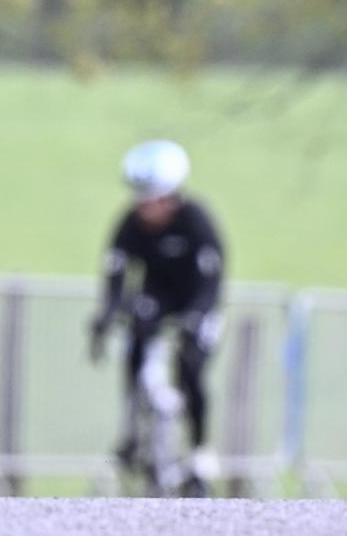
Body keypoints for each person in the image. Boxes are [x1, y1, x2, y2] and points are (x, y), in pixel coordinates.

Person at [87, 139, 226, 491]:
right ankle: (132, 432)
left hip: (195, 300)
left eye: (150, 200)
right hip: (156, 298)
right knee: (136, 340)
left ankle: (199, 452)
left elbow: (211, 280)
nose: (143, 208)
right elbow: (116, 273)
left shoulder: (196, 222)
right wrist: (106, 316)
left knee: (191, 368)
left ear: (170, 198)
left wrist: (195, 319)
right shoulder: (130, 224)